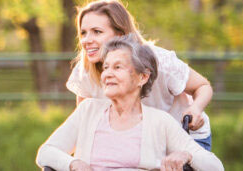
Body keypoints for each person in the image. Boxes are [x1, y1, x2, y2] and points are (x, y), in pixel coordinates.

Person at [37, 34, 224, 171]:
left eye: (118, 67)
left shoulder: (160, 121)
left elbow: (215, 166)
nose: (107, 73)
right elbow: (45, 152)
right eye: (106, 67)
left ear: (142, 77)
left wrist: (187, 156)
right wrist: (72, 163)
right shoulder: (88, 111)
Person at [66, 0, 214, 150]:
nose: (86, 40)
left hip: (184, 137)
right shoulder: (85, 71)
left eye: (97, 32)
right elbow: (83, 123)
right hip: (137, 141)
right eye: (83, 33)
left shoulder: (159, 61)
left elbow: (203, 86)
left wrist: (196, 109)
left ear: (119, 34)